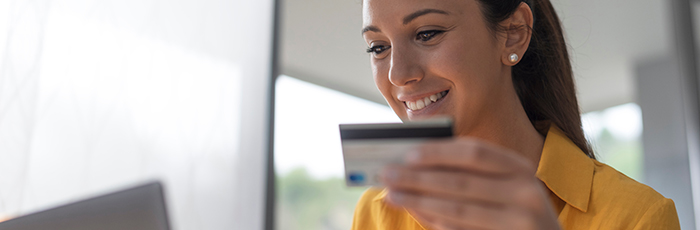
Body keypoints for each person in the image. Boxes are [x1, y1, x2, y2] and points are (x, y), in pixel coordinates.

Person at [352, 0, 681, 229]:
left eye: (427, 33)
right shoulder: (375, 213)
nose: (397, 74)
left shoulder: (639, 217)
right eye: (378, 47)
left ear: (514, 32)